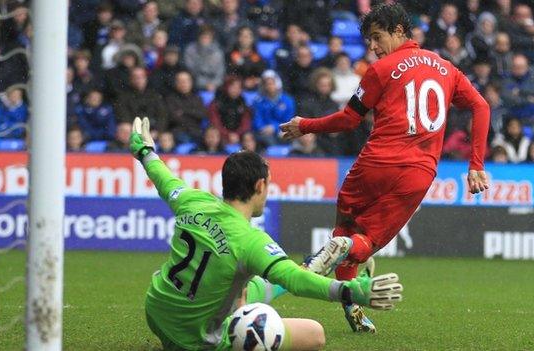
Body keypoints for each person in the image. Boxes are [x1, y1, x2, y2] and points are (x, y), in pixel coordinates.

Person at [280, 3, 490, 333]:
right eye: (369, 42)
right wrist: (475, 165)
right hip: (416, 173)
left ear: (399, 31)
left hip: (372, 164)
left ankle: (352, 307)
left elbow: (349, 119)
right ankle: (347, 267)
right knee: (363, 243)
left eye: (377, 38)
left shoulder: (381, 70)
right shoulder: (447, 68)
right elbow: (481, 105)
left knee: (344, 232)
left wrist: (305, 125)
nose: (374, 48)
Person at [130, 117, 402, 350]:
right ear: (260, 185)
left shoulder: (192, 200)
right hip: (194, 339)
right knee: (315, 333)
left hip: (156, 312)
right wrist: (352, 292)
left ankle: (308, 266)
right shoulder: (250, 242)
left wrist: (145, 151)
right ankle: (307, 269)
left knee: (247, 287)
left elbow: (163, 178)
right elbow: (295, 282)